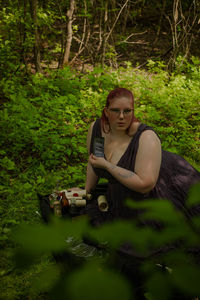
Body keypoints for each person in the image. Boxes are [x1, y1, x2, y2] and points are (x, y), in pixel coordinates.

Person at [85, 87, 200, 226]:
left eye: (127, 111)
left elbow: (145, 185)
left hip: (162, 187)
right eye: (116, 110)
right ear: (106, 111)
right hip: (123, 194)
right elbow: (95, 160)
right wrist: (87, 191)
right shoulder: (98, 129)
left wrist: (107, 165)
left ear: (133, 112)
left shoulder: (146, 137)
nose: (121, 116)